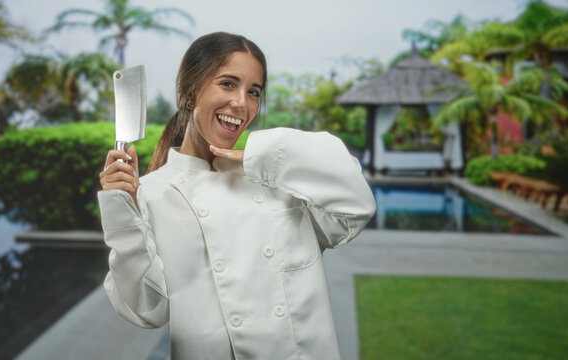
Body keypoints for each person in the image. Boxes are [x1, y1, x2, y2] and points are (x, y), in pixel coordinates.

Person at [98, 32, 376, 360]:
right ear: (188, 94)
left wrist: (270, 152)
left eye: (254, 92)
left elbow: (357, 205)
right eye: (228, 84)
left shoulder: (276, 177)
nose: (242, 104)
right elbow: (146, 309)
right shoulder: (151, 195)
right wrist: (122, 209)